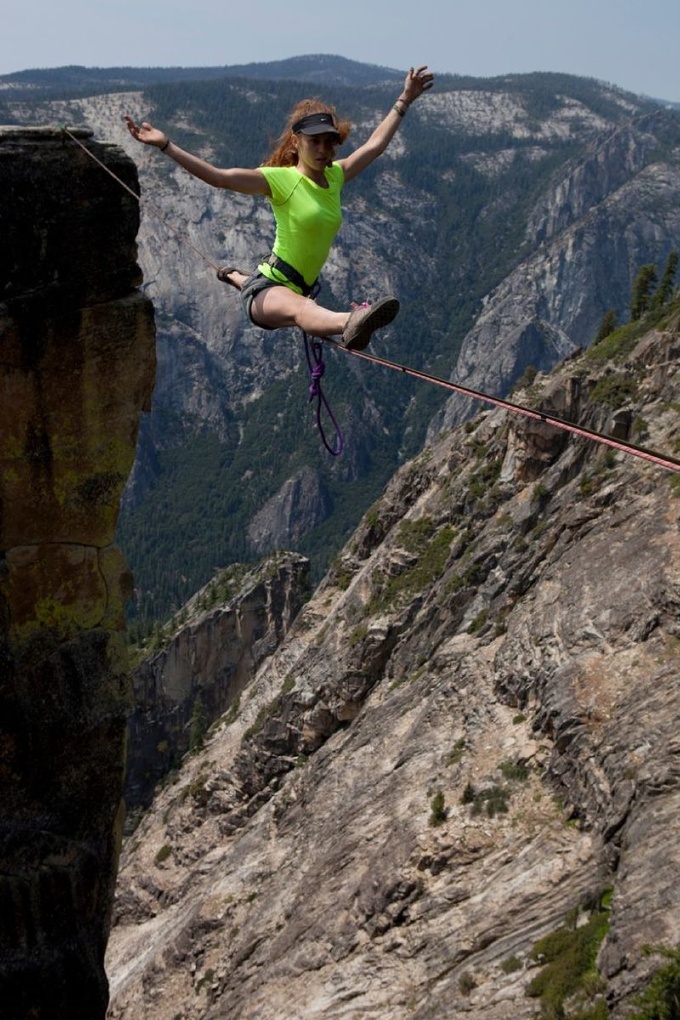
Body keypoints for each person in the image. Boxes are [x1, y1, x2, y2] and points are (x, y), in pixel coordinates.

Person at [124, 65, 434, 350]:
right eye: (316, 142)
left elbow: (374, 147)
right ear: (297, 141)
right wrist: (166, 145)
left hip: (294, 286)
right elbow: (220, 178)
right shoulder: (280, 180)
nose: (324, 150)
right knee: (303, 310)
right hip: (268, 292)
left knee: (296, 300)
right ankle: (350, 322)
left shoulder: (335, 176)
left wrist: (404, 99)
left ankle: (233, 275)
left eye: (329, 142)